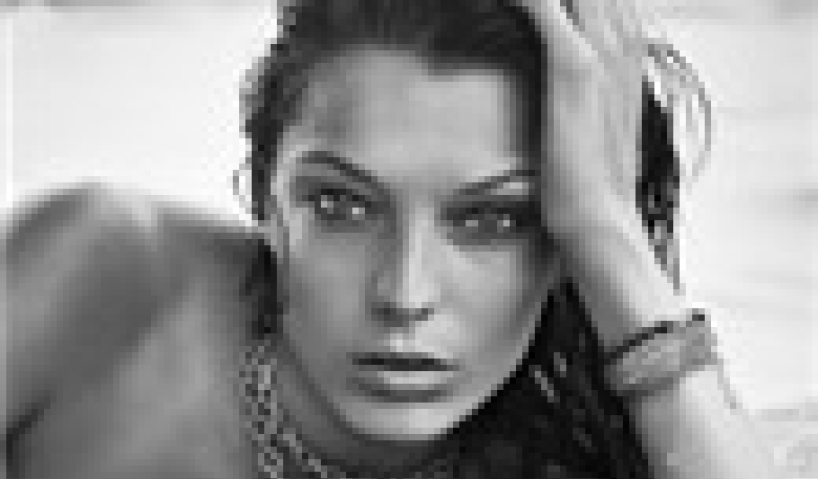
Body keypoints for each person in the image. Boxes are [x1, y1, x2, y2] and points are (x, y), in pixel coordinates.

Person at [3, 0, 783, 478]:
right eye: (342, 205)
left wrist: (608, 230)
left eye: (491, 220)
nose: (405, 294)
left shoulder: (582, 453)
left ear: (560, 249)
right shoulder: (100, 287)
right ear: (265, 197)